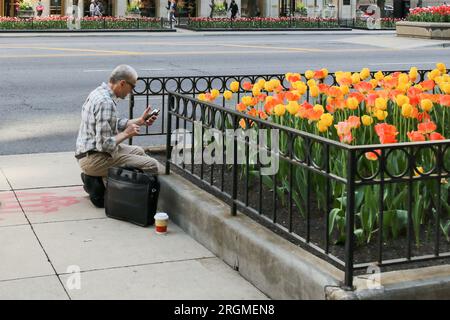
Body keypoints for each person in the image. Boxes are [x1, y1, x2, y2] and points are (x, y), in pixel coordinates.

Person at [75, 65, 163, 207]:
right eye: (132, 86)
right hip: (94, 157)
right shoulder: (106, 103)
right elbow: (104, 144)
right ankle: (106, 187)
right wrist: (126, 133)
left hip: (90, 153)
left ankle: (98, 179)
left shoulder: (100, 92)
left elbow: (114, 122)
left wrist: (140, 121)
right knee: (152, 165)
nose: (131, 91)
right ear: (122, 83)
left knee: (139, 151)